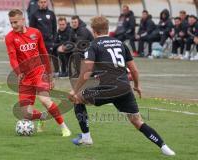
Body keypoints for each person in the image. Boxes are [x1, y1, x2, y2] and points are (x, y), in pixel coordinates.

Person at [68, 16, 175, 156]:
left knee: (77, 99)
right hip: (124, 89)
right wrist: (137, 86)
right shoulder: (121, 43)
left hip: (106, 89)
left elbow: (86, 71)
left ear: (93, 31)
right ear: (107, 29)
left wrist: (74, 90)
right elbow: (134, 70)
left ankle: (86, 137)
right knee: (138, 122)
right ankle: (164, 147)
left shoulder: (93, 45)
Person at [5, 9, 71, 137]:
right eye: (11, 23)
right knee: (26, 114)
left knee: (44, 99)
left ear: (23, 20)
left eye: (15, 22)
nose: (13, 26)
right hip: (24, 77)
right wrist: (18, 72)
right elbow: (12, 58)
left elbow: (44, 54)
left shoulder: (35, 33)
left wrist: (50, 75)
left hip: (39, 72)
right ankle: (42, 116)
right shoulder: (9, 38)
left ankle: (64, 128)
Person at [29, 0, 59, 76]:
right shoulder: (34, 14)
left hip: (49, 41)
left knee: (49, 57)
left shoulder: (51, 14)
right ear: (38, 3)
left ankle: (50, 73)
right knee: (39, 57)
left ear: (47, 3)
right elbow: (31, 29)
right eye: (41, 2)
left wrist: (54, 40)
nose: (43, 4)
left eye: (44, 2)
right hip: (39, 41)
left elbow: (55, 28)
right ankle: (39, 73)